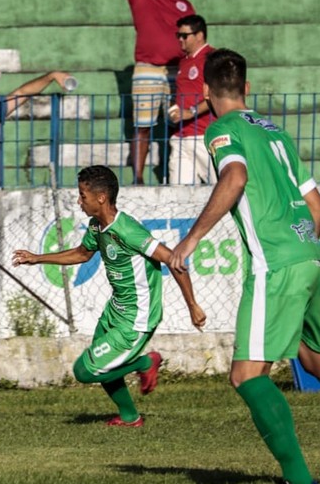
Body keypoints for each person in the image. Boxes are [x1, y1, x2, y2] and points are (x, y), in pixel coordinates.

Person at [168, 49, 320, 484]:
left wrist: (192, 238)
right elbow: (318, 207)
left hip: (277, 267)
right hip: (313, 258)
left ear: (205, 91)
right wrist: (300, 253)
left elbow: (234, 178)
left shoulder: (221, 130)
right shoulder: (275, 131)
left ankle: (299, 482)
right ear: (247, 88)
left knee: (246, 375)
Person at [12, 165, 205, 427]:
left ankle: (145, 363)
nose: (79, 201)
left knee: (84, 370)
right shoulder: (97, 225)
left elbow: (173, 260)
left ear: (101, 198)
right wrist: (37, 258)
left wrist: (193, 305)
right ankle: (130, 417)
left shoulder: (127, 230)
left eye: (83, 195)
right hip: (115, 310)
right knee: (103, 365)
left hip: (136, 318)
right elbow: (82, 254)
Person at [120, 0, 195, 185]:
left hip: (176, 70)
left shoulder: (183, 4)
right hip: (147, 69)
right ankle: (138, 179)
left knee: (177, 124)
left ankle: (174, 175)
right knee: (142, 126)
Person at [167, 14, 214, 185]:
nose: (180, 39)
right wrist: (173, 109)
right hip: (181, 137)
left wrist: (191, 112)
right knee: (179, 194)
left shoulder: (212, 58)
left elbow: (218, 94)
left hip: (204, 136)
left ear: (199, 35)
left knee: (222, 190)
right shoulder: (184, 61)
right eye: (178, 35)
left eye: (184, 35)